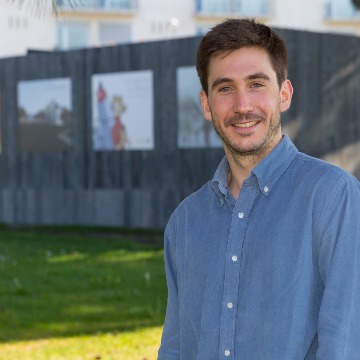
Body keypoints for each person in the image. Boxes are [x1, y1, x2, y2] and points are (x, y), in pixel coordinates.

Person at [158, 18, 360, 359]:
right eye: (225, 88)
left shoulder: (333, 197)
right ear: (206, 105)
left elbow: (345, 341)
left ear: (284, 94)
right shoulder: (185, 223)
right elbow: (178, 347)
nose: (242, 106)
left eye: (256, 84)